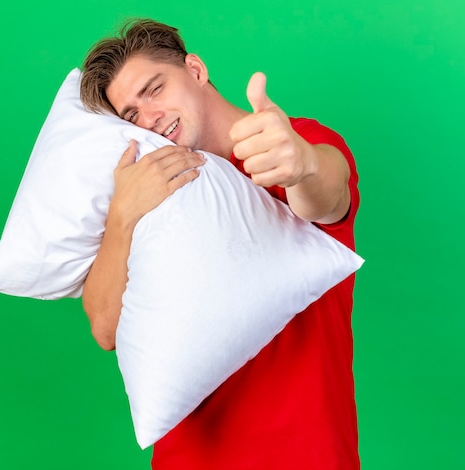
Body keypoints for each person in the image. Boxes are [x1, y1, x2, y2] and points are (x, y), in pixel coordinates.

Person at [79, 18, 360, 470]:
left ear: (195, 70)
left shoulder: (296, 142)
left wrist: (301, 163)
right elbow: (106, 330)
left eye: (155, 89)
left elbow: (327, 195)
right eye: (131, 114)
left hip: (307, 455)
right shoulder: (148, 194)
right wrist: (122, 215)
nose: (150, 117)